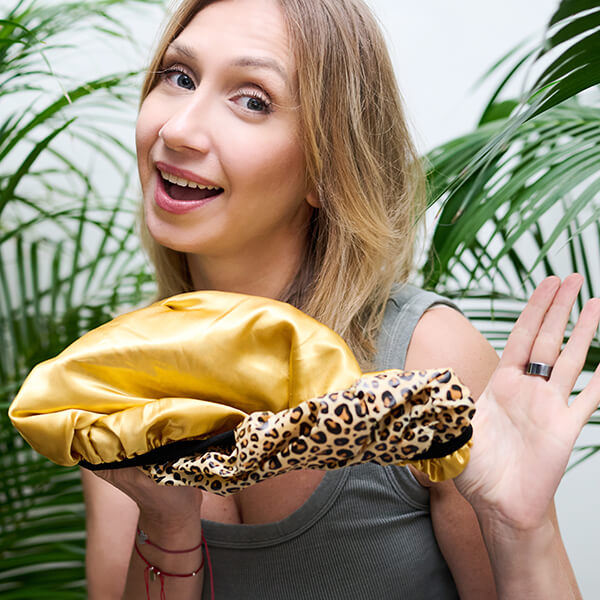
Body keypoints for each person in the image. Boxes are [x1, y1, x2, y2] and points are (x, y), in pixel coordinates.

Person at [81, 0, 600, 598]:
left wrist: (521, 528)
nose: (176, 130)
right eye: (180, 77)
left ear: (326, 169)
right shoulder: (115, 382)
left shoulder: (427, 364)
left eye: (253, 100)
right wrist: (168, 526)